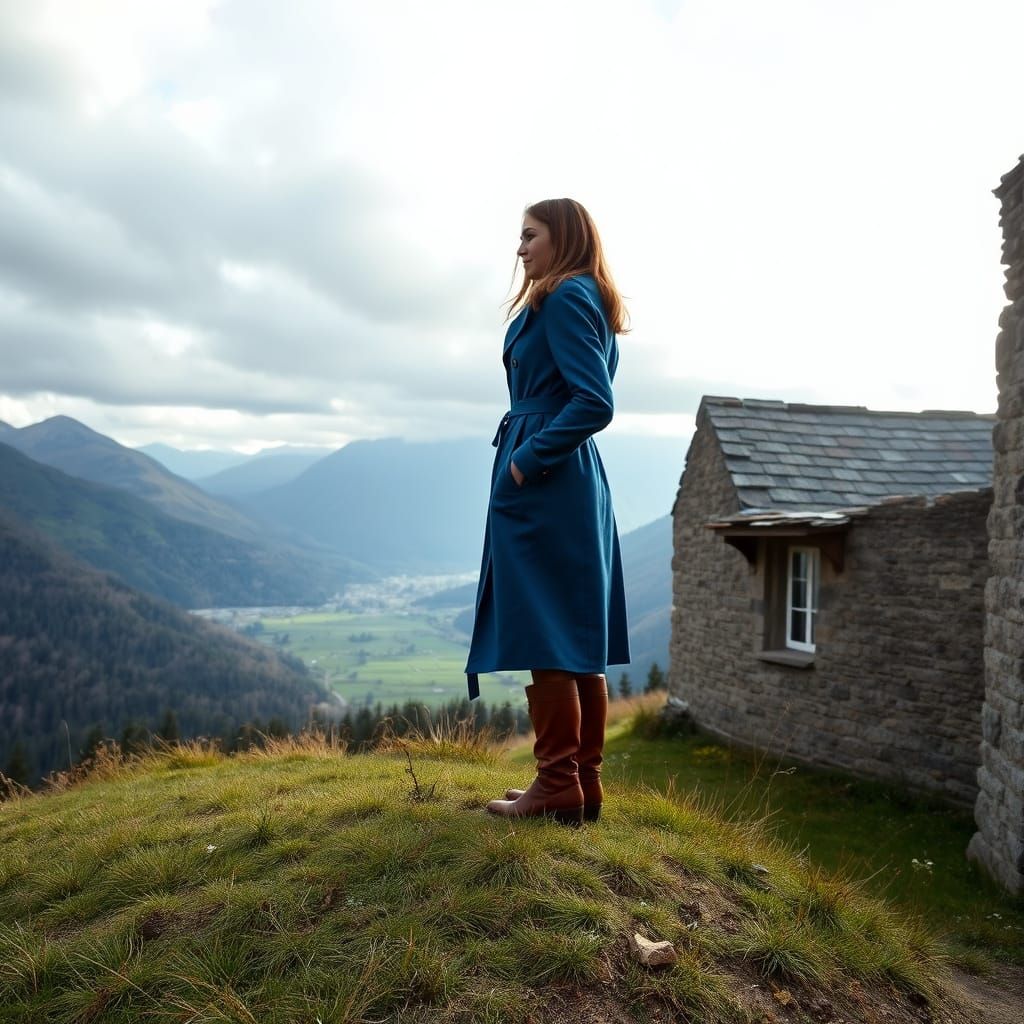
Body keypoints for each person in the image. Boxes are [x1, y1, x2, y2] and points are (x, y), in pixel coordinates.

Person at [465, 198, 630, 826]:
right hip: (566, 477)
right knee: (573, 635)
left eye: (530, 235)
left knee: (549, 629)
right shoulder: (585, 297)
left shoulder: (564, 298)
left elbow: (595, 402)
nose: (520, 248)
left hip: (547, 479)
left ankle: (558, 782)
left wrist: (526, 459)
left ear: (561, 237)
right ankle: (577, 786)